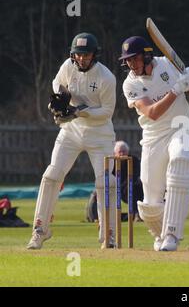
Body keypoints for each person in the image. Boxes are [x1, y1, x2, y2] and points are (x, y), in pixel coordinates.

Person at [119, 36, 189, 251]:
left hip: (183, 127)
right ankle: (160, 233)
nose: (131, 64)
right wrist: (176, 90)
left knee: (179, 163)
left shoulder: (168, 64)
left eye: (134, 58)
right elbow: (152, 113)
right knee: (150, 203)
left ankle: (172, 233)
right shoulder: (130, 83)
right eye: (128, 60)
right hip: (154, 136)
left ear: (147, 54)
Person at [27, 33, 117, 249]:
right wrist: (60, 99)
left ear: (95, 55)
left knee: (105, 182)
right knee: (52, 175)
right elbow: (57, 82)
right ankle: (40, 229)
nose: (82, 59)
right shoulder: (68, 66)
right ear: (72, 55)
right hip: (71, 131)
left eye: (86, 55)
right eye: (78, 55)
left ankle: (109, 234)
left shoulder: (106, 77)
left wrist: (78, 111)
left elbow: (106, 112)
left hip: (100, 133)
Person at [85, 140, 144, 222]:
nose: (122, 154)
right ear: (115, 153)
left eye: (124, 152)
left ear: (128, 152)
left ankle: (137, 214)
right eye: (120, 152)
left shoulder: (134, 161)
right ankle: (95, 216)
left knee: (135, 187)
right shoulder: (111, 162)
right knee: (99, 189)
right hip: (115, 187)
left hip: (130, 188)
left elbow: (136, 176)